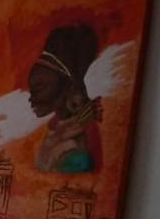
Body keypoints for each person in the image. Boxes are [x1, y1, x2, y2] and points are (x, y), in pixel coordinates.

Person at [27, 24, 103, 173]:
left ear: (69, 87)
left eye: (39, 87)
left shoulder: (75, 153)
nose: (31, 99)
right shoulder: (56, 133)